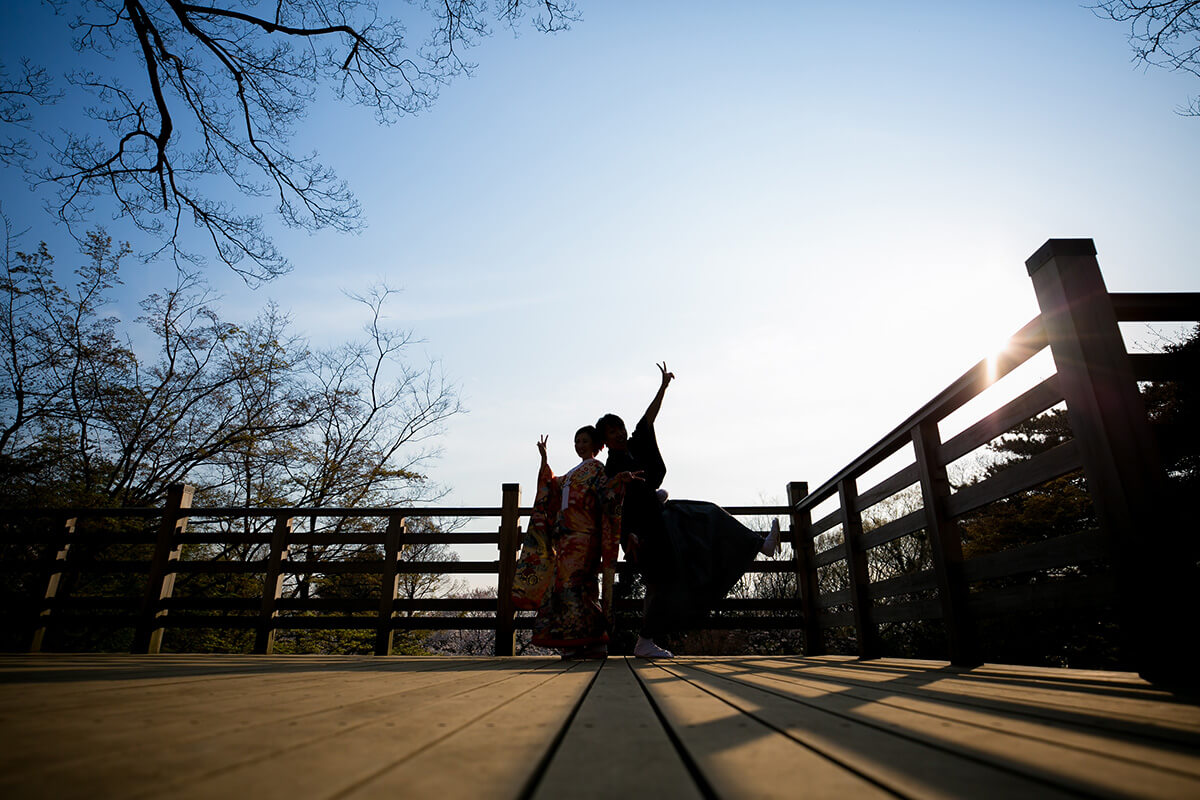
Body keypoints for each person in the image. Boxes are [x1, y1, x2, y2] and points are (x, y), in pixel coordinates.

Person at [599, 363, 781, 658]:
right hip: (640, 530)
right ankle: (645, 640)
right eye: (611, 432)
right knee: (660, 582)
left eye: (619, 428)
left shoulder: (632, 448)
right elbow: (617, 506)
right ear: (604, 440)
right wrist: (630, 532)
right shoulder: (612, 467)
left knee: (707, 514)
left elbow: (648, 419)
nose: (618, 434)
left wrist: (663, 388)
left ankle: (761, 544)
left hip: (662, 518)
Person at [523, 426, 639, 659]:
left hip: (584, 537)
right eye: (577, 441)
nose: (580, 445)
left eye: (584, 441)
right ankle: (593, 641)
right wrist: (545, 461)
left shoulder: (597, 469)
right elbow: (552, 487)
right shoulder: (573, 474)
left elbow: (607, 492)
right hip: (566, 540)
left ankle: (578, 642)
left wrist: (619, 481)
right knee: (579, 588)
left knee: (574, 585)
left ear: (596, 445)